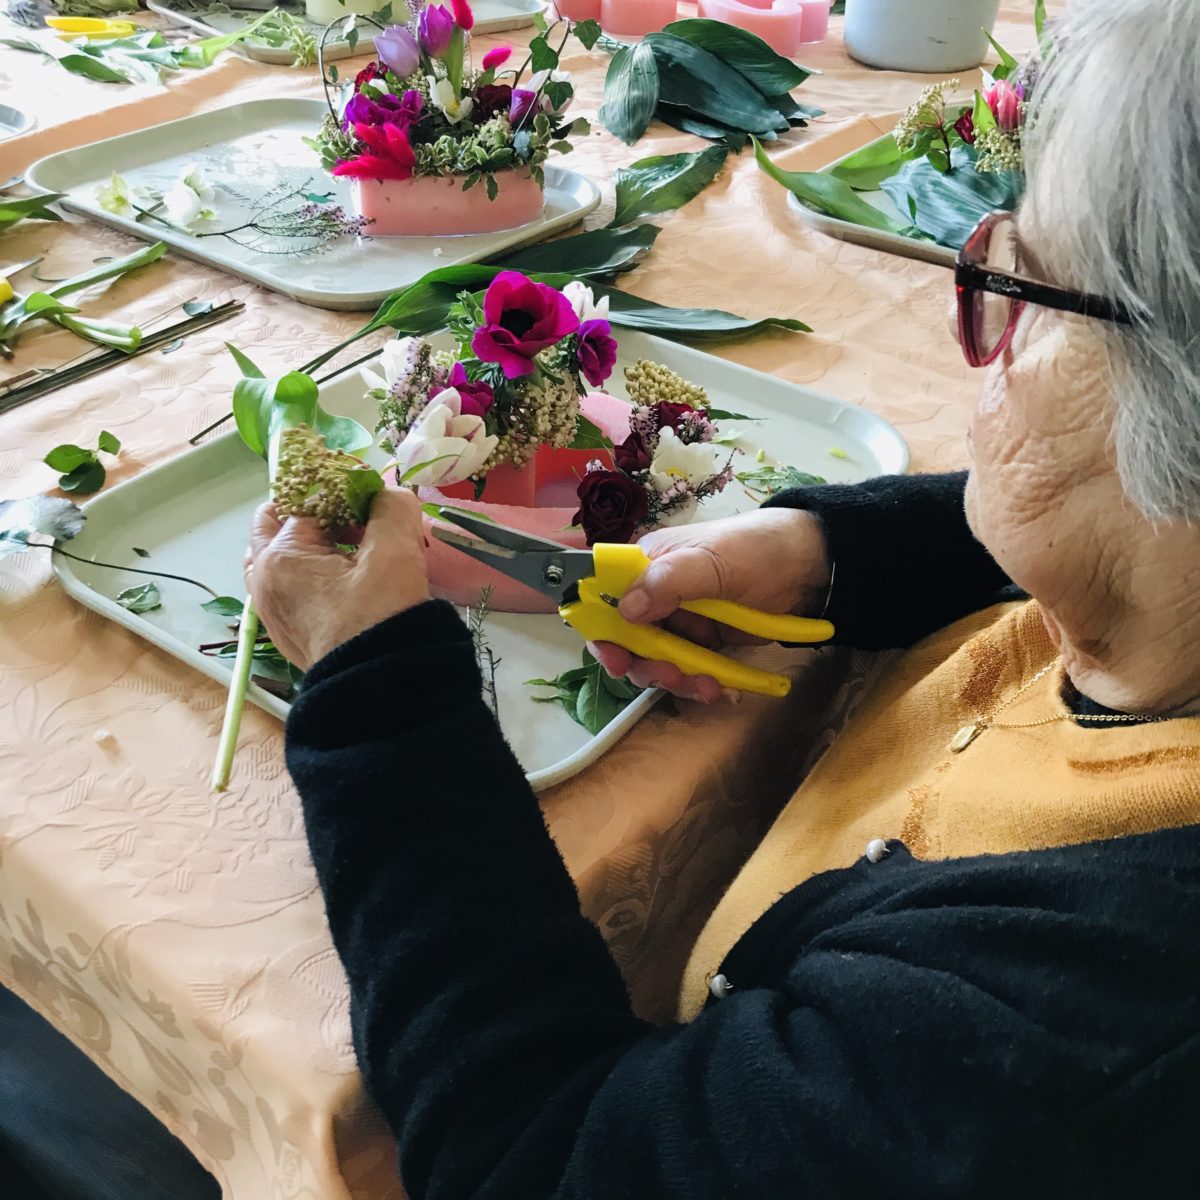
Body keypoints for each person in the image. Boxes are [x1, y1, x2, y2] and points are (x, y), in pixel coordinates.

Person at [249, 1, 1200, 1195]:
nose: (987, 336)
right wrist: (827, 551)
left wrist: (376, 699)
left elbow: (536, 1152)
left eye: (1020, 281)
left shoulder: (1045, 1057)